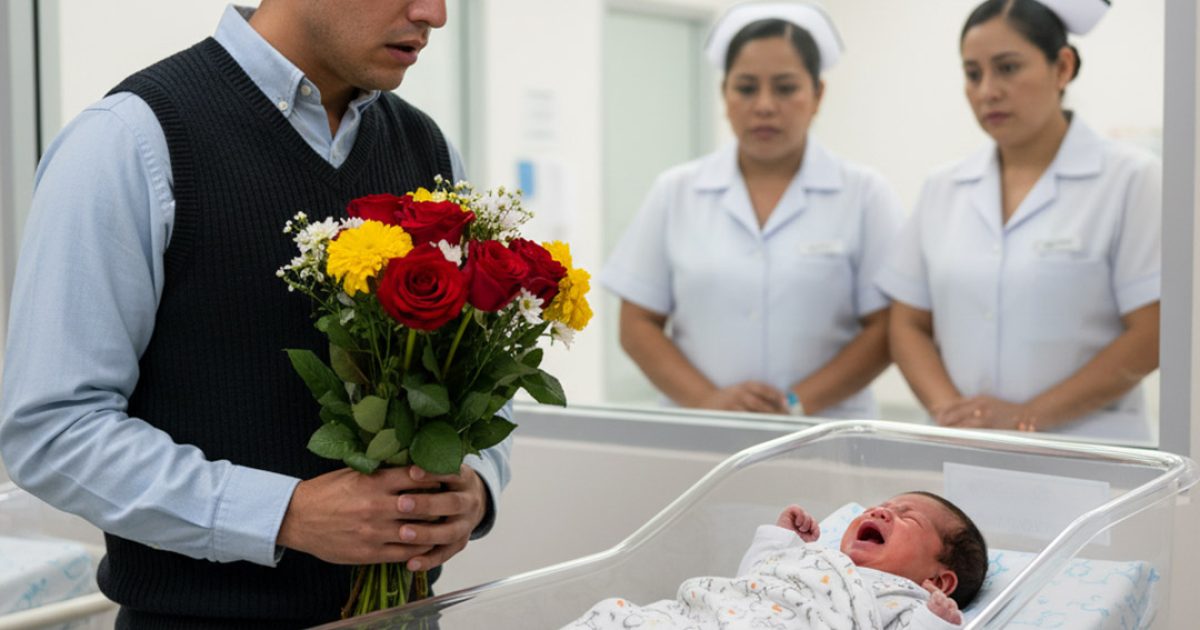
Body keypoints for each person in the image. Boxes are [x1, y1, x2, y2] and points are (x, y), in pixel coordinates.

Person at [0, 2, 511, 627]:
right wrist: (282, 514)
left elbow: (472, 372)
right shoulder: (130, 139)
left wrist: (474, 486)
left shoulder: (428, 148)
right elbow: (54, 430)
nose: (434, 14)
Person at [600, 2, 903, 418]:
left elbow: (888, 327)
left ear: (818, 94)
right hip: (701, 429)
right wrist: (708, 401)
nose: (764, 105)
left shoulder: (864, 194)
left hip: (826, 430)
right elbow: (637, 324)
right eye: (745, 88)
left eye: (785, 88)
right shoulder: (676, 191)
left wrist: (794, 404)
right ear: (724, 94)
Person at [877, 0, 1160, 441]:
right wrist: (951, 412)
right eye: (973, 74)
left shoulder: (1130, 179)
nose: (987, 91)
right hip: (963, 448)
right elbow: (907, 322)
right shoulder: (943, 188)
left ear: (1062, 68)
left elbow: (1152, 333)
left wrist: (1029, 417)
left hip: (1089, 450)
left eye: (1007, 68)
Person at [564, 492, 988, 629]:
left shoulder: (905, 598)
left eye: (907, 517)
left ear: (940, 580)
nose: (880, 512)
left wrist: (938, 621)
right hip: (707, 616)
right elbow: (754, 579)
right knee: (619, 617)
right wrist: (782, 539)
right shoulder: (815, 556)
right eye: (881, 506)